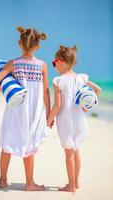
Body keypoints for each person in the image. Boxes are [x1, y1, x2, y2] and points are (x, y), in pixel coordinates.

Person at [0, 26, 50, 191]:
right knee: (29, 145)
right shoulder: (42, 65)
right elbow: (45, 91)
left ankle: (2, 180)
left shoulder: (13, 64)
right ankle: (29, 183)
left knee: (7, 144)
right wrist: (49, 113)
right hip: (33, 111)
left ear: (19, 43)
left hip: (16, 108)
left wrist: (9, 94)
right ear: (38, 46)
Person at [47, 45, 101, 192]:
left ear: (61, 62)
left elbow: (57, 106)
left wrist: (48, 120)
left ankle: (70, 186)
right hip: (79, 120)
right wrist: (87, 106)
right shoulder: (81, 78)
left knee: (69, 152)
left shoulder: (58, 81)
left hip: (65, 120)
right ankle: (76, 182)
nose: (54, 66)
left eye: (54, 63)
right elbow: (98, 90)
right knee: (76, 149)